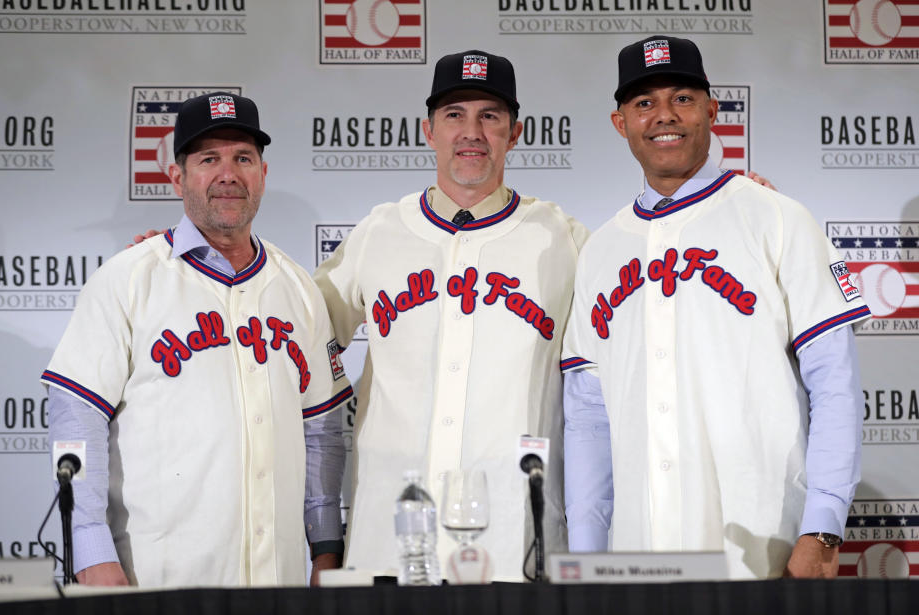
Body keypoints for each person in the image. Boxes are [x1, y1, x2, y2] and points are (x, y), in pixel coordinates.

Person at [560, 36, 871, 578]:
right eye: (643, 103)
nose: (663, 116)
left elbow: (835, 382)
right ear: (621, 123)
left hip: (760, 544)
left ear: (711, 109)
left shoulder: (776, 217)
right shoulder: (600, 250)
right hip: (637, 559)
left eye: (681, 98)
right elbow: (588, 418)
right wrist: (586, 560)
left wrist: (822, 528)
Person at [42, 93, 353, 587]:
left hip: (281, 582)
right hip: (156, 581)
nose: (228, 173)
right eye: (209, 158)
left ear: (263, 174)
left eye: (242, 158)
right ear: (177, 177)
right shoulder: (127, 279)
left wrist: (326, 550)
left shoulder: (299, 289)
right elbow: (77, 419)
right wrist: (90, 548)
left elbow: (322, 433)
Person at [314, 50, 588, 581]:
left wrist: (720, 207)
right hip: (388, 540)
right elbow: (291, 325)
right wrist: (180, 272)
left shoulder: (564, 239)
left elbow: (645, 300)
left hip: (514, 542)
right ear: (428, 130)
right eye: (454, 115)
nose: (472, 132)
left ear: (516, 132)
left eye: (490, 116)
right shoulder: (379, 232)